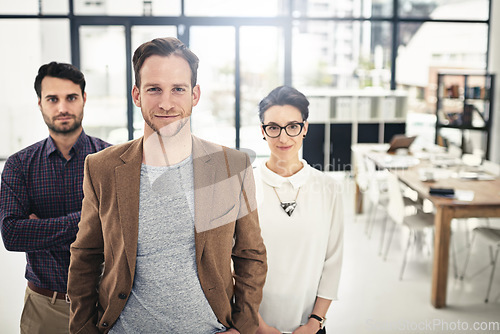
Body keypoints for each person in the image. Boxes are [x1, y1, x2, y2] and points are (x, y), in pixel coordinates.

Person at [67, 37, 267, 334]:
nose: (166, 102)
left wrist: (244, 326)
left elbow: (251, 254)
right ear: (136, 94)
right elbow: (85, 256)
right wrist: (83, 329)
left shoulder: (231, 166)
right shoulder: (102, 168)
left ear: (195, 94)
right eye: (154, 89)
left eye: (178, 89)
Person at [0, 62, 111, 334]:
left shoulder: (111, 160)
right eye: (52, 99)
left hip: (105, 306)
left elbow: (126, 228)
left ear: (84, 99)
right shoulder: (19, 165)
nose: (62, 107)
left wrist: (40, 227)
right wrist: (91, 219)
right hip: (45, 307)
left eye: (71, 97)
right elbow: (12, 235)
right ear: (40, 103)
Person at [254, 86, 343, 334]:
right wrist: (258, 325)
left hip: (310, 326)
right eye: (273, 127)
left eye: (292, 126)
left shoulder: (328, 188)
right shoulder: (244, 187)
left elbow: (333, 261)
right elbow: (231, 265)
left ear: (304, 128)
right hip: (253, 325)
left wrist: (316, 322)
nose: (283, 138)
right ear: (263, 131)